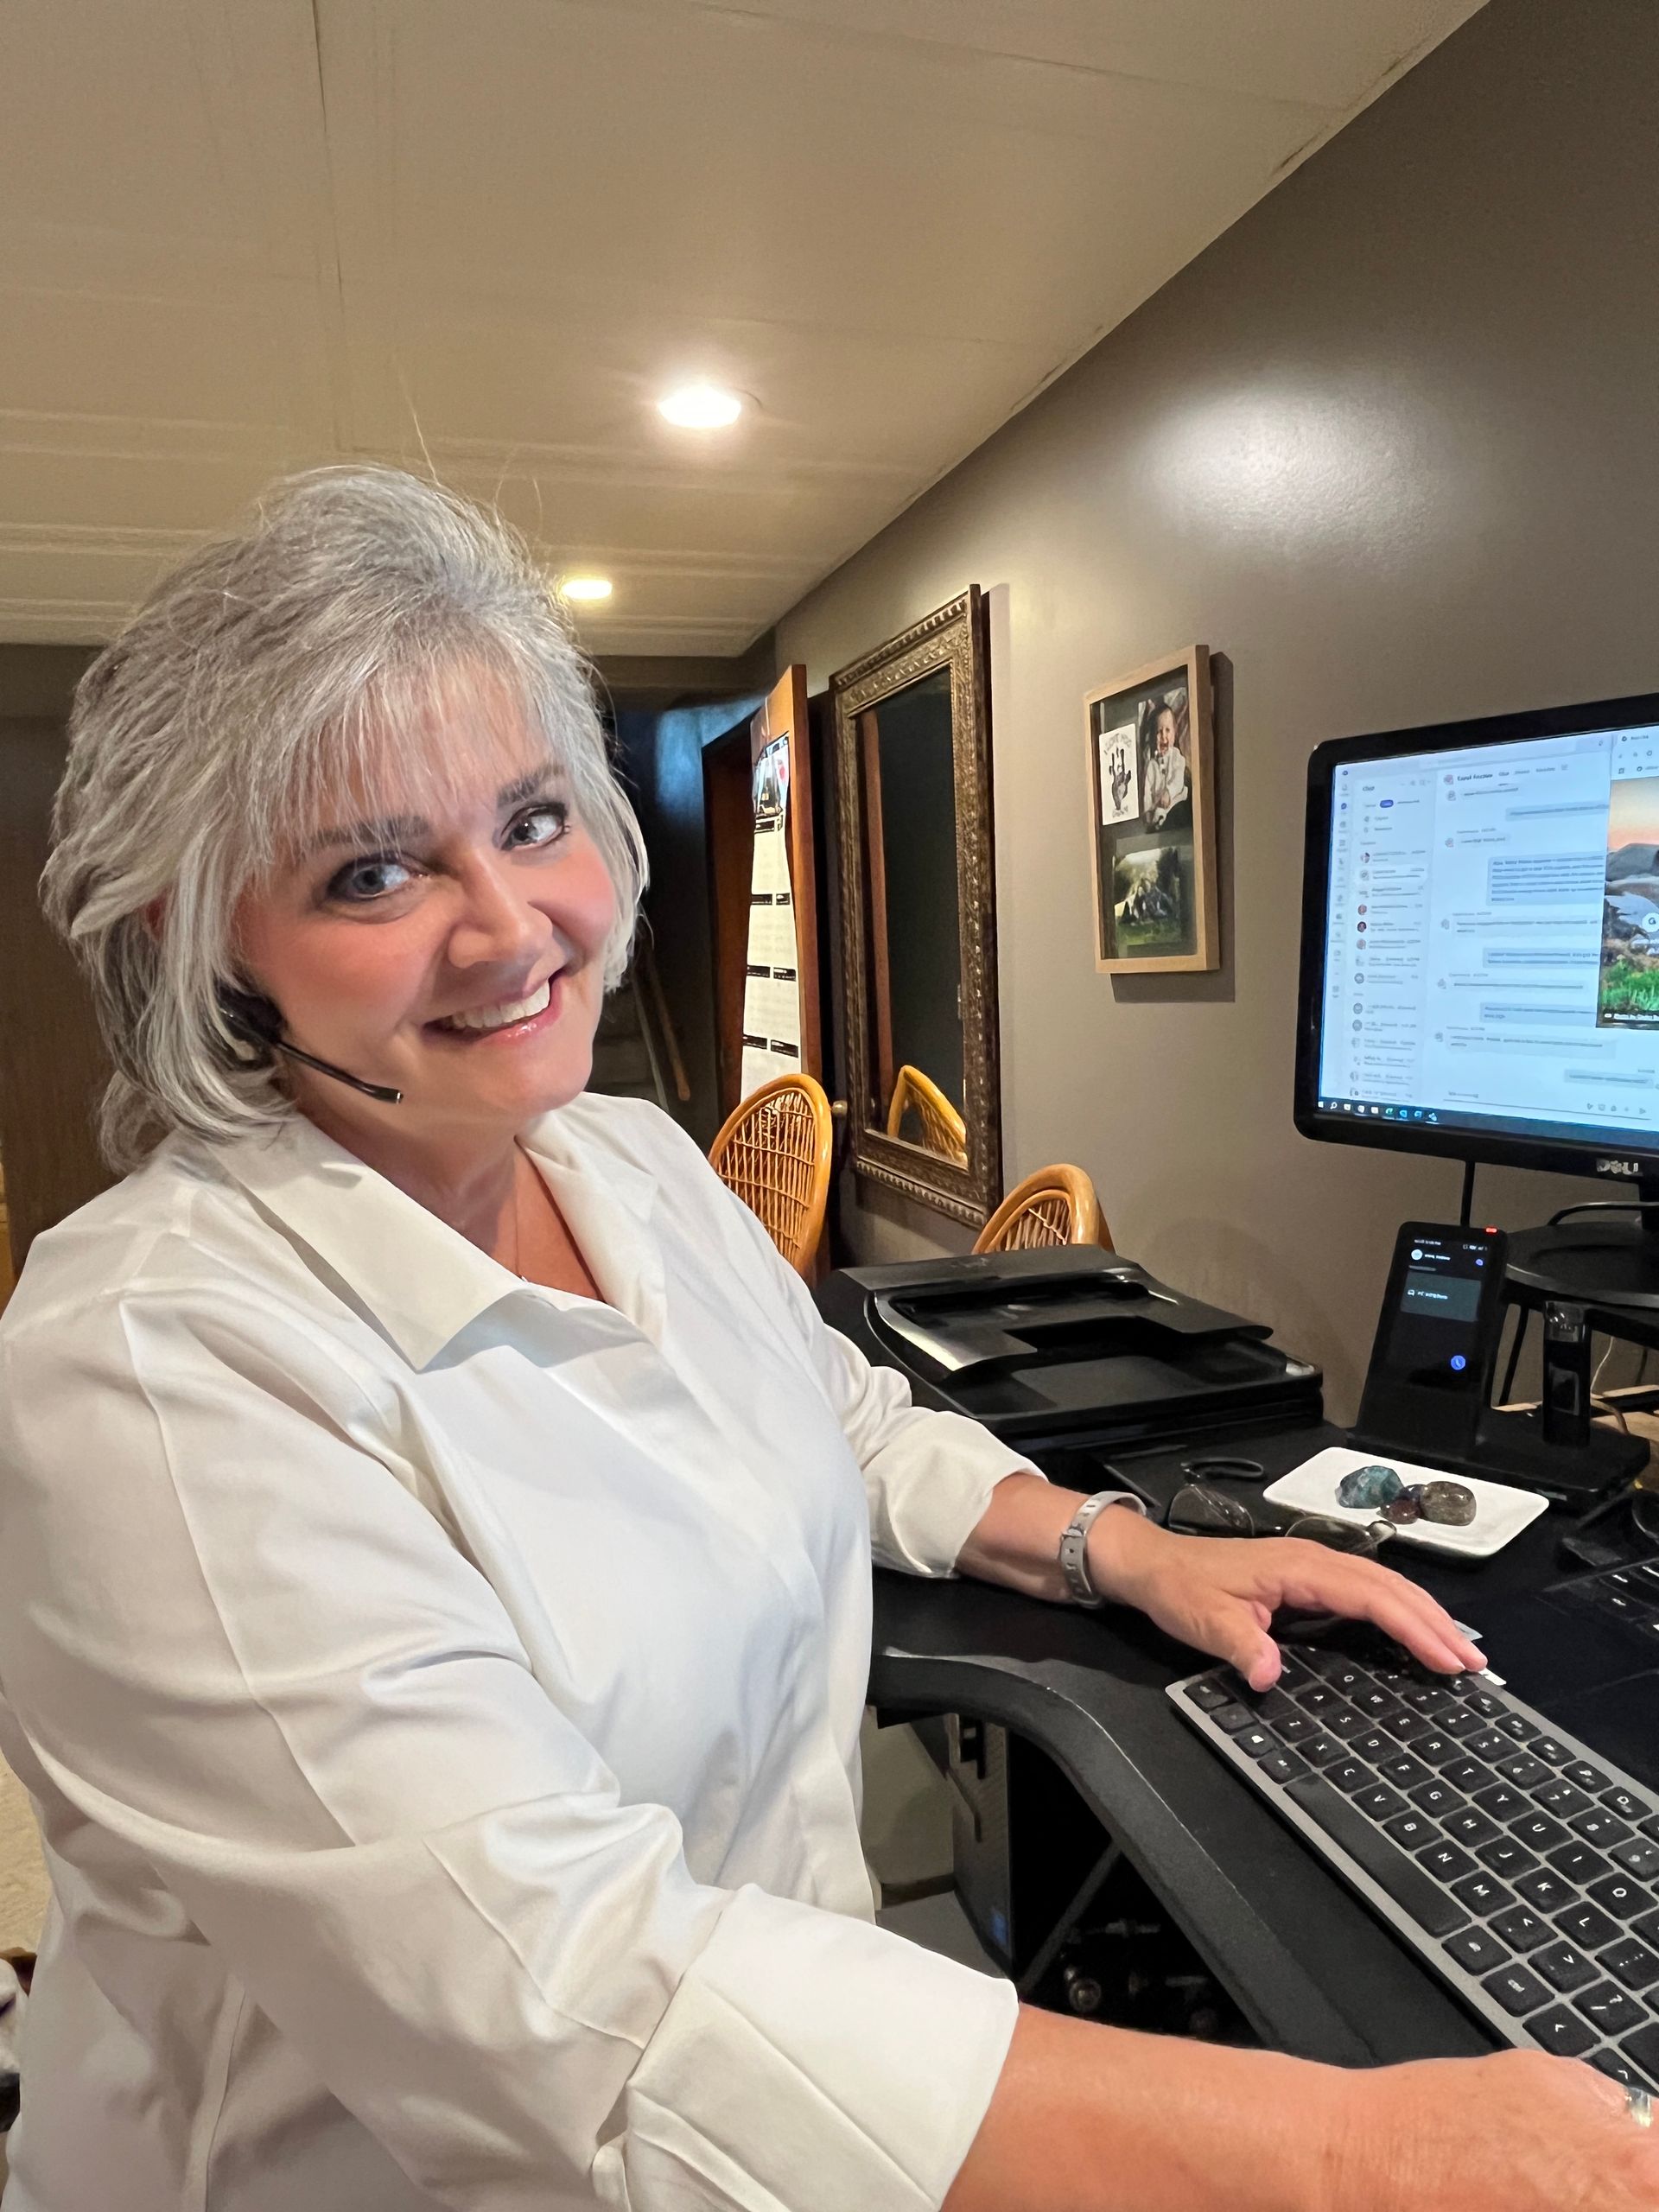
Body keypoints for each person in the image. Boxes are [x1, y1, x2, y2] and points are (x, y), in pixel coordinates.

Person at [0, 469, 1650, 2212]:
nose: (508, 926)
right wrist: (1351, 2145)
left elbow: (840, 1413)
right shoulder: (149, 1368)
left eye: (535, 815)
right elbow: (579, 2010)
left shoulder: (619, 1155)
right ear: (203, 940)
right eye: (375, 869)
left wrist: (1129, 1545)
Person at [1141, 700, 1190, 831]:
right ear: (1153, 737)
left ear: (1174, 734)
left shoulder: (1176, 757)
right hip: (1158, 808)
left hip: (1175, 801)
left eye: (1168, 730)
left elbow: (1178, 778)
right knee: (1155, 819)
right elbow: (1148, 791)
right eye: (1159, 731)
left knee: (1177, 813)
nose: (1163, 736)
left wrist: (1169, 792)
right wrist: (1147, 810)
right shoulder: (1152, 765)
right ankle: (1157, 822)